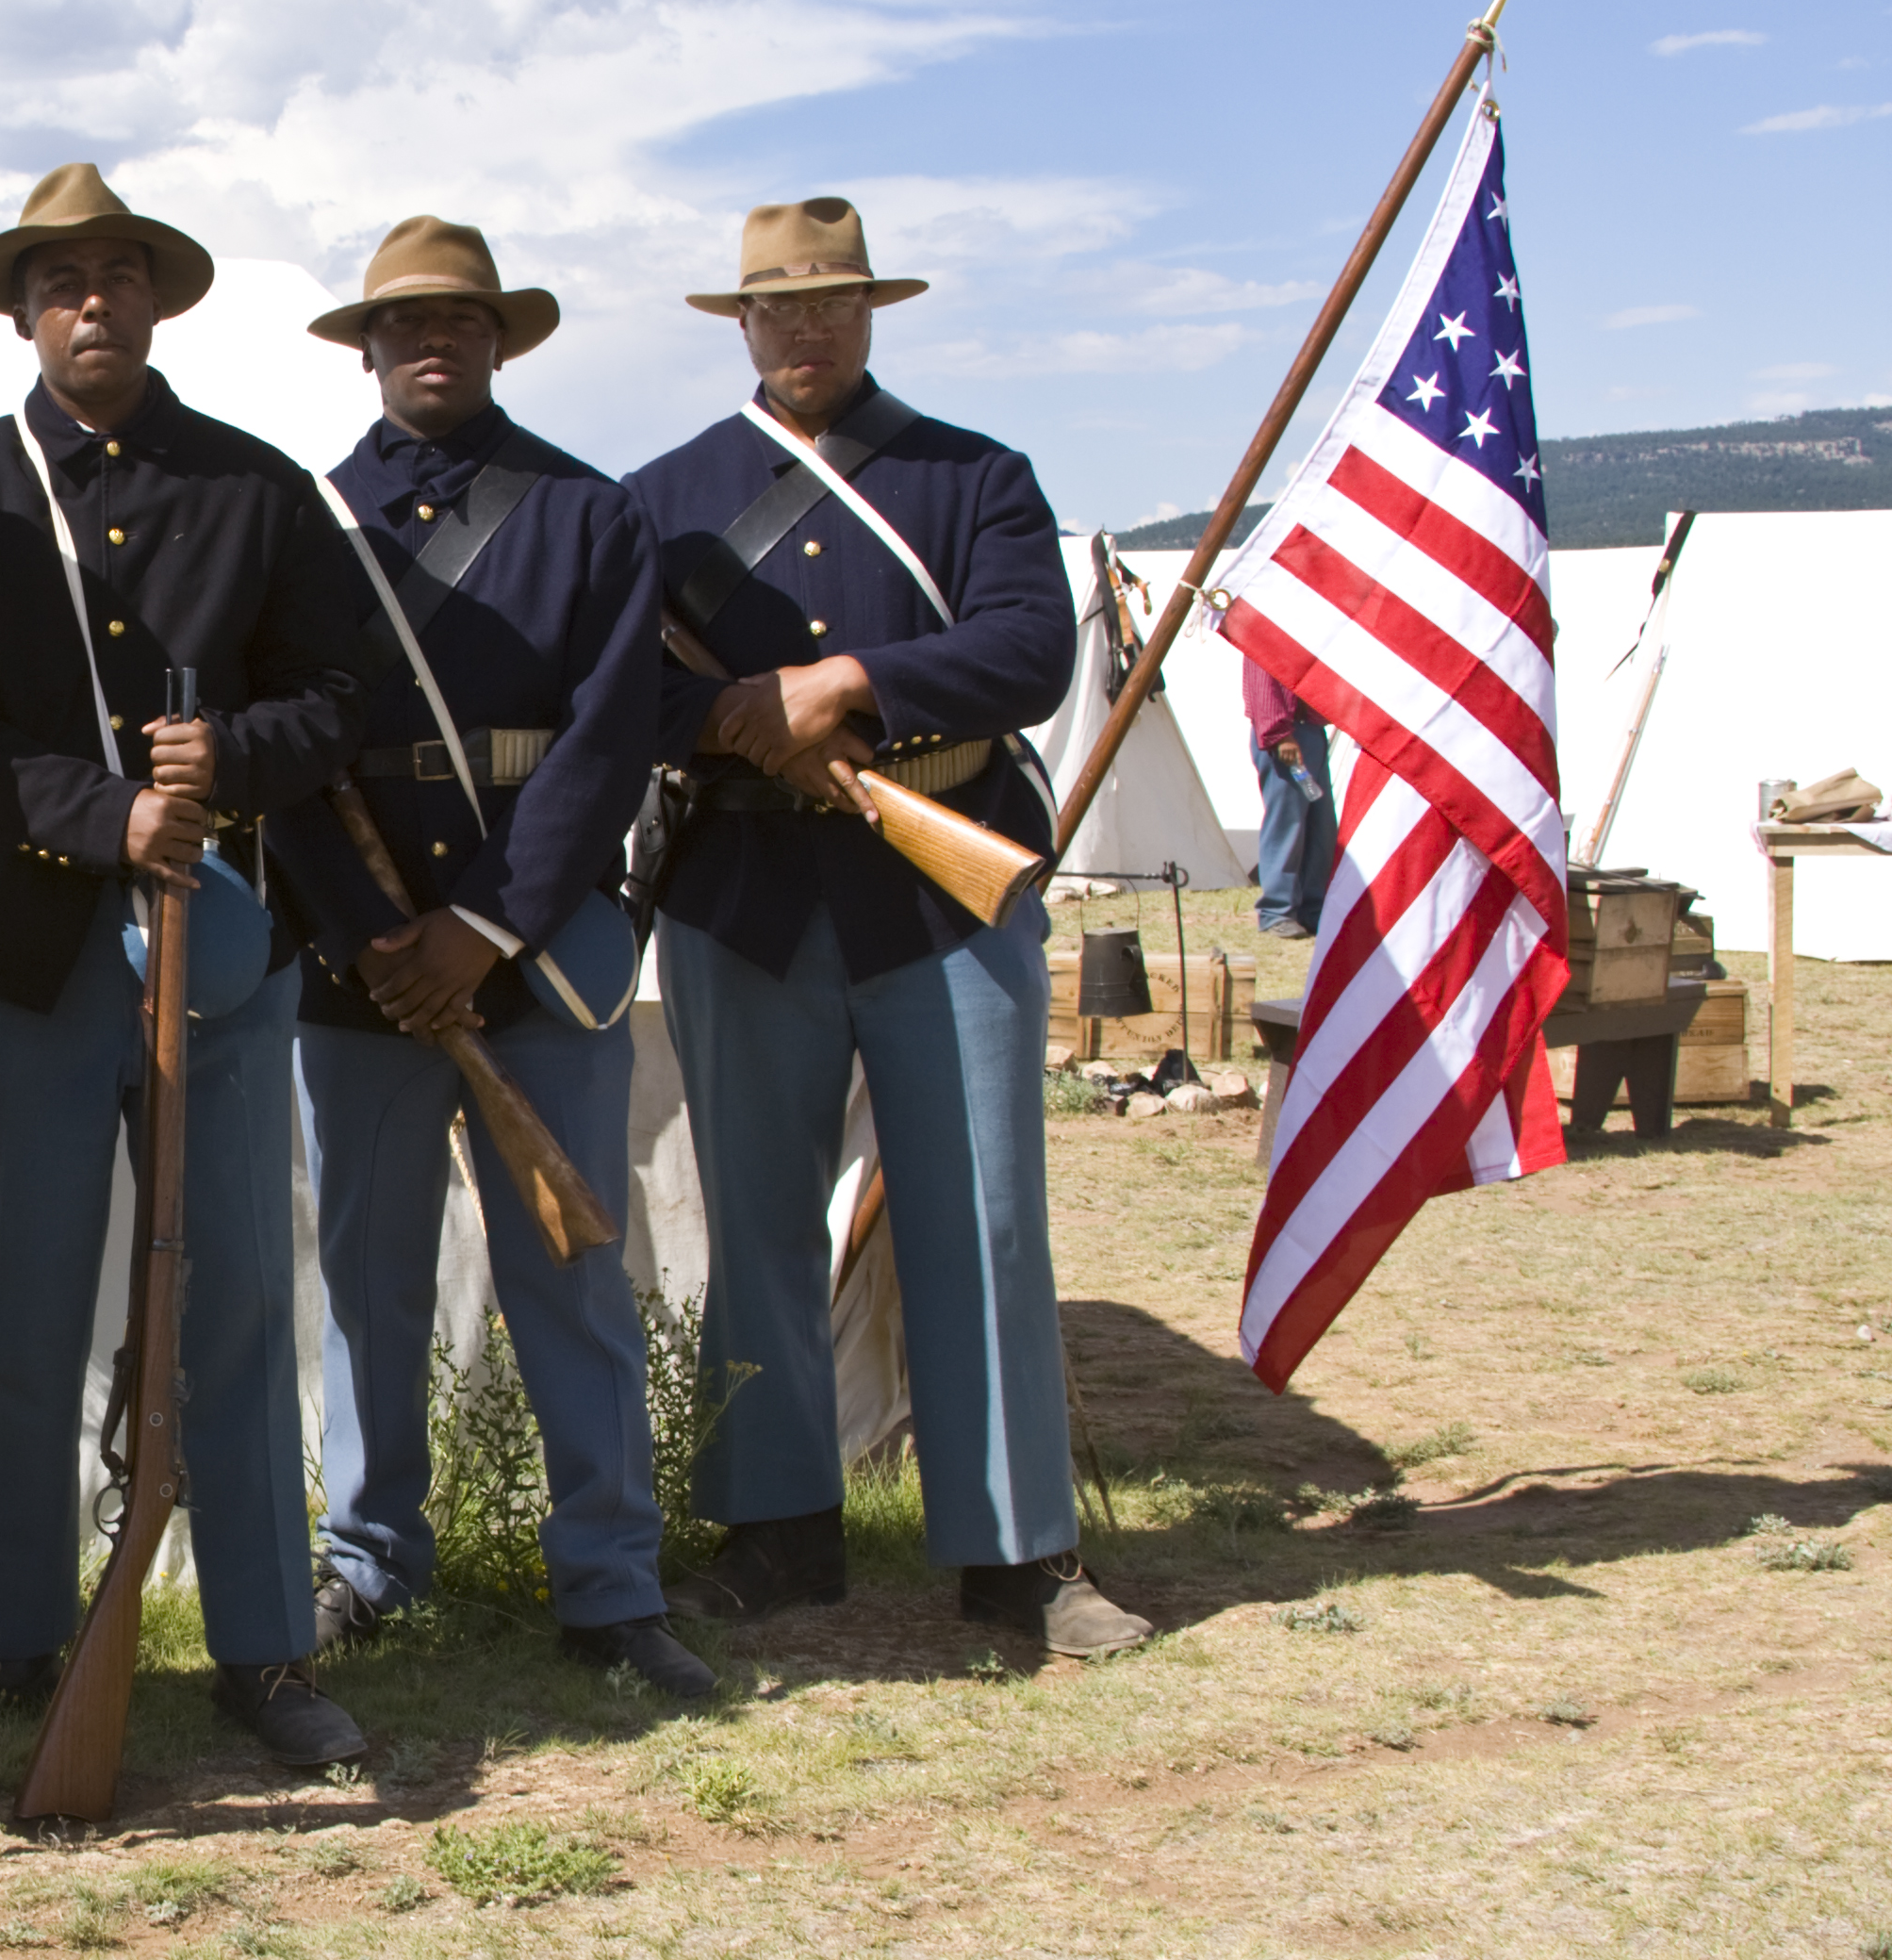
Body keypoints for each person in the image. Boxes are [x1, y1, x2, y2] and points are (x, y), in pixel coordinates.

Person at [0, 164, 375, 1767]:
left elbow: (337, 702)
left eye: (115, 277)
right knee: (23, 1307)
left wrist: (224, 755)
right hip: (31, 934)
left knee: (231, 1297)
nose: (89, 304)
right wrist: (101, 812)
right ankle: (18, 1639)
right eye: (59, 282)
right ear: (22, 311)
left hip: (221, 943)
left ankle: (262, 1645)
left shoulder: (253, 489)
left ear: (155, 301)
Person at [626, 196, 1147, 1657]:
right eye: (780, 306)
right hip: (748, 886)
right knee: (758, 1222)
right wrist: (742, 722)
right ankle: (776, 1534)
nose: (806, 327)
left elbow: (1026, 652)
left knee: (980, 1224)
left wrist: (839, 682)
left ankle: (1018, 1554)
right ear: (740, 322)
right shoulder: (661, 498)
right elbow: (624, 699)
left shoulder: (974, 477)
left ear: (872, 313)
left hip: (941, 878)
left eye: (833, 302)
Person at [267, 217, 709, 1700]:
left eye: (459, 319)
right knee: (368, 1286)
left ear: (502, 336)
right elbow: (289, 767)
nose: (431, 343)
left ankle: (612, 1582)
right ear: (368, 346)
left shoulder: (590, 516)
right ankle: (370, 1559)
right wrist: (374, 938)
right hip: (364, 964)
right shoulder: (308, 524)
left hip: (534, 951)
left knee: (572, 1270)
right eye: (404, 325)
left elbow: (606, 747)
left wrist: (482, 927)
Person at [1244, 655, 1335, 937]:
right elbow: (1262, 680)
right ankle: (1276, 911)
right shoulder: (1266, 623)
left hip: (1310, 731)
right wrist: (1278, 734)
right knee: (1288, 824)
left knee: (1321, 827)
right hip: (1287, 734)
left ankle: (1312, 910)